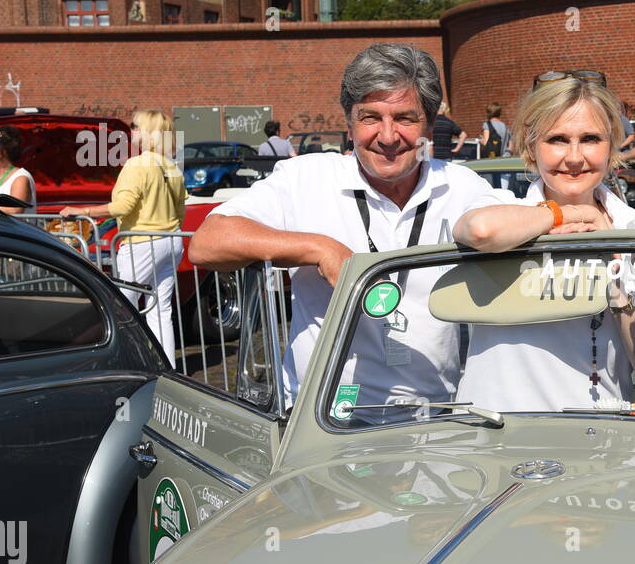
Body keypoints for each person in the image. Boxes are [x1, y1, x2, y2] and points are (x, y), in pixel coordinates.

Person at [188, 44, 504, 407]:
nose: (387, 136)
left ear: (430, 126)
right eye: (370, 118)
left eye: (404, 118)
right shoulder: (304, 177)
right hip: (322, 415)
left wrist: (564, 214)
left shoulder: (461, 184)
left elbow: (515, 229)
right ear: (349, 124)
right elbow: (207, 243)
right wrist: (320, 248)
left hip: (433, 411)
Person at [453, 75, 635, 412]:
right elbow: (481, 230)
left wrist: (613, 280)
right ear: (531, 147)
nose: (574, 157)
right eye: (557, 139)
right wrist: (571, 214)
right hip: (493, 430)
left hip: (597, 437)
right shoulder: (501, 204)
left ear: (612, 146)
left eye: (590, 139)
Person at [60, 110, 186, 365]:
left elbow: (122, 207)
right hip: (172, 240)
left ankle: (116, 363)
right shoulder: (171, 165)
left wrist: (80, 211)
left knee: (120, 306)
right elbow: (180, 208)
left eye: (136, 127)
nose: (132, 131)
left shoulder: (137, 164)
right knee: (161, 310)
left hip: (142, 241)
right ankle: (169, 368)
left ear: (149, 133)